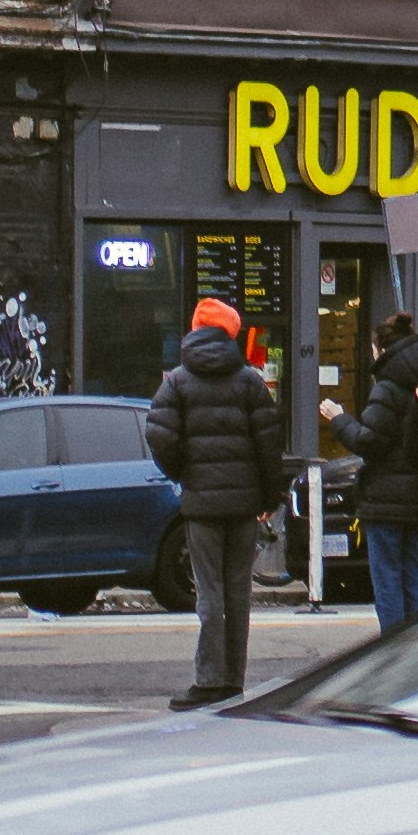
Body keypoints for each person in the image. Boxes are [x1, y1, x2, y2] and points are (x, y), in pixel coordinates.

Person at [146, 293, 281, 707]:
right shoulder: (250, 383)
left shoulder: (178, 383)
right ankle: (232, 681)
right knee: (238, 591)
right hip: (243, 505)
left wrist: (184, 474)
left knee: (210, 593)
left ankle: (208, 680)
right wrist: (268, 495)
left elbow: (159, 436)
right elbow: (269, 444)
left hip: (202, 505)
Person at [345, 317, 418, 635]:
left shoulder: (387, 387)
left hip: (383, 498)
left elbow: (368, 441)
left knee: (387, 578)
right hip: (417, 494)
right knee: (411, 574)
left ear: (381, 350)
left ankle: (392, 649)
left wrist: (338, 420)